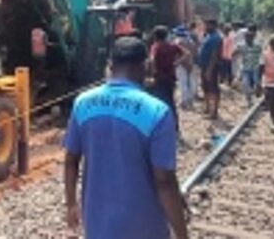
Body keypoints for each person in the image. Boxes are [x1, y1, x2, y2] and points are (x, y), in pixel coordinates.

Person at [63, 37, 189, 239]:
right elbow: (164, 181)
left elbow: (71, 161)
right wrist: (182, 234)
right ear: (145, 66)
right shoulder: (157, 111)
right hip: (143, 226)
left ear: (110, 66)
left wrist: (71, 204)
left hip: (97, 222)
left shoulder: (82, 104)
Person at [149, 26, 190, 130]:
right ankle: (175, 126)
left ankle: (161, 126)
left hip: (159, 78)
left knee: (158, 103)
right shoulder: (172, 46)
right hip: (171, 77)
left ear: (155, 36)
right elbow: (187, 53)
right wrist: (176, 63)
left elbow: (152, 60)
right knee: (171, 101)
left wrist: (153, 72)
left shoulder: (156, 46)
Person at [198, 19, 223, 119]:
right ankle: (207, 108)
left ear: (212, 25)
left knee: (213, 88)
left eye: (207, 25)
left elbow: (214, 55)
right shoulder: (208, 36)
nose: (205, 27)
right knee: (205, 87)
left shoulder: (216, 38)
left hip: (211, 67)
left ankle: (214, 112)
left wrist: (209, 70)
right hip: (205, 66)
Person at [234, 30, 263, 106]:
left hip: (255, 68)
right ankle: (249, 99)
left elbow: (263, 55)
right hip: (246, 69)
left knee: (256, 84)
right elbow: (235, 52)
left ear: (253, 38)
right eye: (246, 38)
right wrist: (235, 53)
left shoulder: (257, 46)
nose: (248, 39)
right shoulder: (242, 46)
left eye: (250, 38)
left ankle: (257, 94)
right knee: (245, 84)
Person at [173, 26, 198, 110]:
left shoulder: (177, 41)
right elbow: (194, 52)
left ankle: (184, 101)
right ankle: (190, 100)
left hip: (181, 63)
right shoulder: (191, 41)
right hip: (191, 63)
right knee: (191, 82)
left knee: (182, 83)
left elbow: (177, 54)